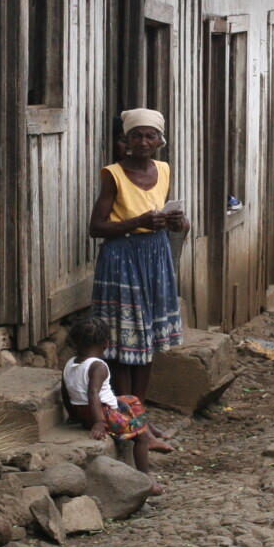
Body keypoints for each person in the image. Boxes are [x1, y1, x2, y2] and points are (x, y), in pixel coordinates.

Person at [88, 109, 188, 401]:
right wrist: (137, 223)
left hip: (156, 256)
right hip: (122, 257)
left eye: (150, 135)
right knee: (123, 337)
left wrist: (176, 221)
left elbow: (163, 209)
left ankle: (138, 412)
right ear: (126, 139)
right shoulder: (113, 174)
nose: (144, 141)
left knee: (149, 336)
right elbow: (96, 227)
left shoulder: (164, 169)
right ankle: (126, 410)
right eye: (137, 135)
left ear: (159, 141)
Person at [63, 317, 165, 494]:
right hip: (103, 414)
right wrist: (98, 423)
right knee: (140, 437)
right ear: (105, 344)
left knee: (131, 400)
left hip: (83, 413)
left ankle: (146, 427)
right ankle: (146, 478)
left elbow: (65, 391)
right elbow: (93, 393)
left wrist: (72, 413)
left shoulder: (70, 363)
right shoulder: (98, 366)